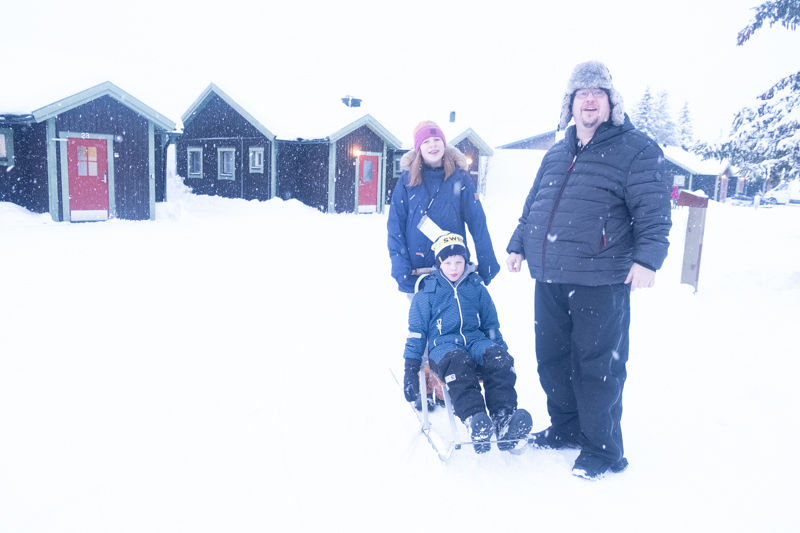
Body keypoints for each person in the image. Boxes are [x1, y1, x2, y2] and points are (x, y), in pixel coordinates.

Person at [506, 61, 672, 479]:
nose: (591, 99)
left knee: (598, 366)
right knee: (553, 360)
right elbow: (535, 203)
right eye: (583, 93)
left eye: (599, 92)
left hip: (601, 278)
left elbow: (654, 212)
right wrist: (518, 244)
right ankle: (566, 428)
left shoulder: (636, 148)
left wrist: (648, 259)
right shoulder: (559, 151)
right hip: (550, 276)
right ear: (571, 103)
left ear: (611, 101)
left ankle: (602, 450)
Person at [403, 233, 532, 454]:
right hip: (443, 348)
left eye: (459, 262)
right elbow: (416, 333)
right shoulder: (427, 293)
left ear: (466, 262)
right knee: (458, 362)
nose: (454, 268)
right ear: (439, 263)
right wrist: (411, 366)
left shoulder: (476, 287)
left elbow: (491, 323)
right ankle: (475, 419)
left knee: (498, 359)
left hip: (475, 341)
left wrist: (499, 351)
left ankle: (504, 419)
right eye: (448, 262)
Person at [387, 121, 500, 298]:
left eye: (437, 139)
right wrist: (400, 265)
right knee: (422, 324)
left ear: (444, 144)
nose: (432, 144)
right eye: (426, 141)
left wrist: (487, 259)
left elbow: (477, 222)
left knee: (455, 323)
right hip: (419, 274)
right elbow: (395, 226)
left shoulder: (460, 178)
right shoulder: (407, 181)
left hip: (454, 270)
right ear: (418, 148)